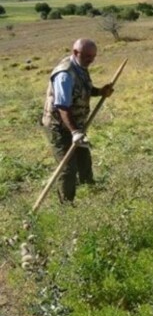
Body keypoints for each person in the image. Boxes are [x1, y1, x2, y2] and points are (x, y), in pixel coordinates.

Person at [41, 38, 114, 204]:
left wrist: (100, 92)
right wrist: (75, 132)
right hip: (59, 126)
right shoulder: (64, 74)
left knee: (84, 159)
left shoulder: (80, 67)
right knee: (67, 168)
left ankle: (91, 194)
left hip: (76, 125)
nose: (91, 59)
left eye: (93, 56)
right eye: (88, 56)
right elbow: (62, 106)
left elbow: (82, 90)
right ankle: (67, 206)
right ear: (75, 53)